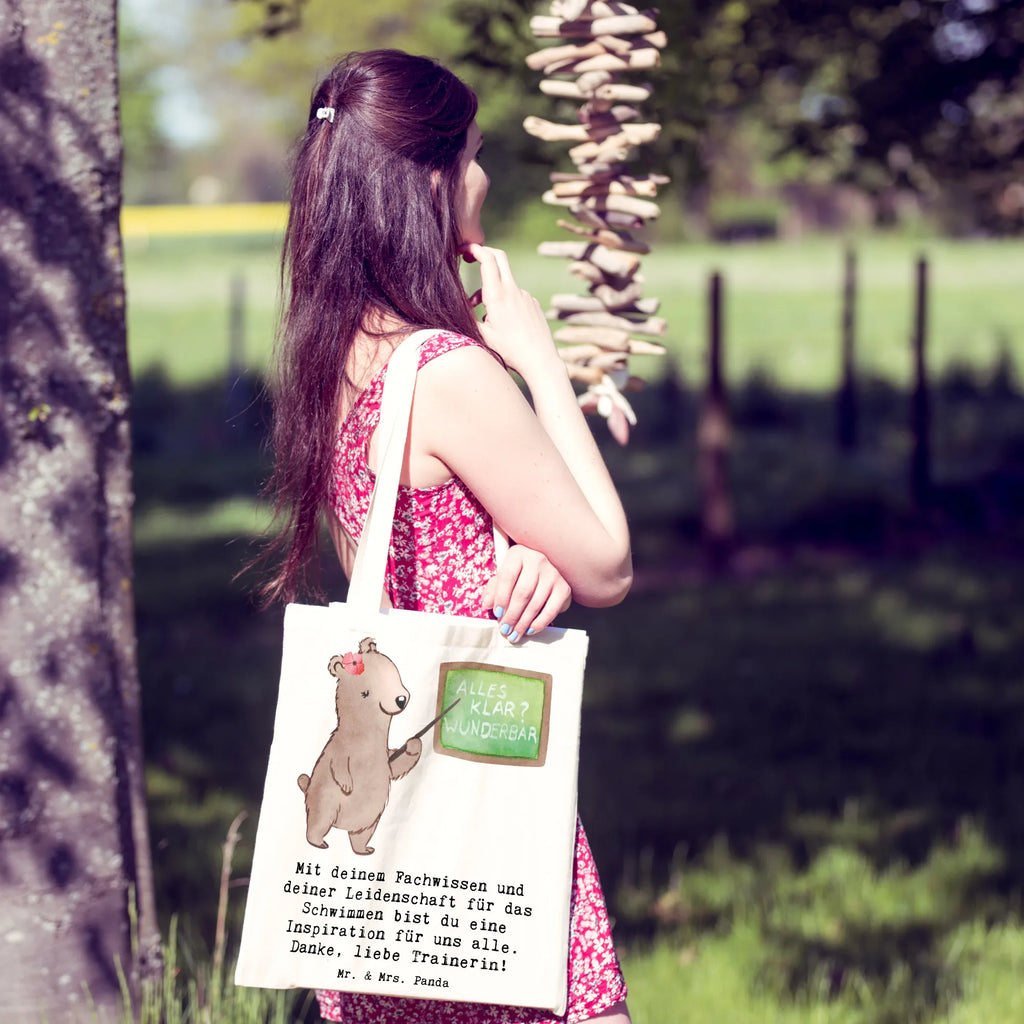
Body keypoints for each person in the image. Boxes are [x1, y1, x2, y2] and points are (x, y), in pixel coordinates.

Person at [260, 48, 633, 1024]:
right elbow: (608, 561)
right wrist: (540, 362)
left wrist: (515, 550)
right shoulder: (448, 372)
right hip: (476, 817)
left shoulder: (333, 355)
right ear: (428, 179)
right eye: (470, 154)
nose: (484, 177)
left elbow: (392, 557)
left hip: (389, 869)